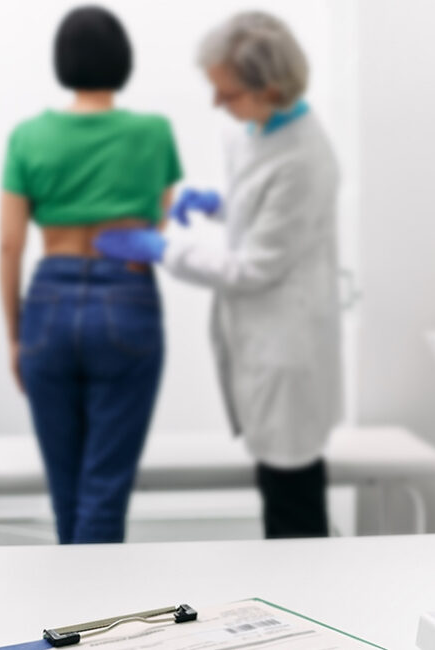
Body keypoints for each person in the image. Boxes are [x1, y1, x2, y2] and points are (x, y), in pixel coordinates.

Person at [95, 11, 342, 539]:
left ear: (269, 87)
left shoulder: (305, 158)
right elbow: (262, 208)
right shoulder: (257, 128)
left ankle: (308, 603)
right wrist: (218, 205)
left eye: (225, 93)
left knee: (291, 500)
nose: (216, 104)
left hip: (287, 350)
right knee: (277, 485)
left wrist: (164, 248)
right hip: (262, 339)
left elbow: (254, 267)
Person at [0, 6, 182, 544]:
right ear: (122, 62)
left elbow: (10, 244)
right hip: (126, 302)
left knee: (66, 493)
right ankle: (96, 622)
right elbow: (165, 227)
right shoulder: (153, 132)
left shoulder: (28, 136)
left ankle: (68, 619)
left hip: (48, 303)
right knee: (104, 491)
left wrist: (15, 335)